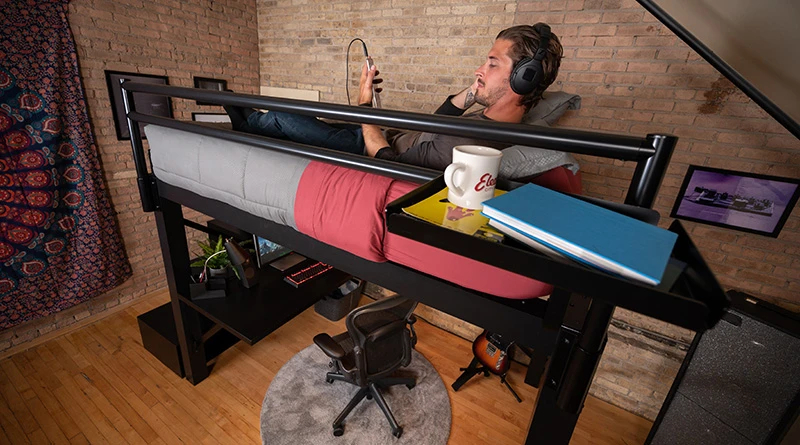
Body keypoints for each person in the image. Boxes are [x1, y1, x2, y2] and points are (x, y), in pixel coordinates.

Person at [224, 24, 563, 170]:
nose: (479, 69)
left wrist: (364, 102)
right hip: (385, 135)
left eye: (491, 63)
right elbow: (435, 123)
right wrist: (474, 92)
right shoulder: (491, 123)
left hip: (370, 149)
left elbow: (388, 165)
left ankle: (248, 124)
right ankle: (252, 121)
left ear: (523, 77)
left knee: (285, 117)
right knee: (308, 121)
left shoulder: (473, 141)